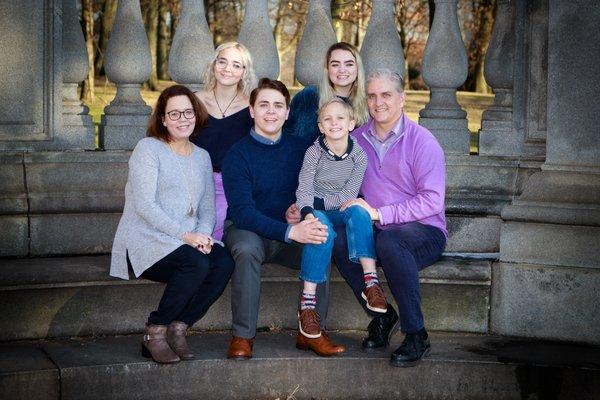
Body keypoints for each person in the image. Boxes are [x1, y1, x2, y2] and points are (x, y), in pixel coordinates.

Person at [221, 78, 346, 359]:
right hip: (248, 230)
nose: (271, 112)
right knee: (247, 248)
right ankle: (243, 336)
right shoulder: (237, 154)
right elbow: (243, 213)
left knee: (320, 236)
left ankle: (311, 331)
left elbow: (323, 189)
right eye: (263, 105)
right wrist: (291, 232)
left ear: (288, 113)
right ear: (251, 110)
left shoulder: (304, 148)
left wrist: (300, 209)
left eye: (278, 106)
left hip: (290, 230)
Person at [110, 85, 235, 364]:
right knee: (196, 264)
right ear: (163, 119)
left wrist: (202, 235)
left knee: (223, 261)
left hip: (186, 239)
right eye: (174, 113)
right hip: (146, 238)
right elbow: (144, 205)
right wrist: (185, 235)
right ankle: (154, 331)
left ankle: (179, 327)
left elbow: (206, 207)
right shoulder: (148, 149)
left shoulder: (201, 156)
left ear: (197, 115)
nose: (183, 119)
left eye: (188, 112)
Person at [332, 69, 447, 367]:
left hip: (424, 232)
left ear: (401, 98)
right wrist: (305, 205)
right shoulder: (354, 140)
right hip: (377, 230)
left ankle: (416, 334)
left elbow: (433, 201)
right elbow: (336, 185)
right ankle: (382, 316)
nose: (378, 102)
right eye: (371, 96)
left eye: (386, 95)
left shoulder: (422, 141)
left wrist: (382, 213)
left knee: (393, 242)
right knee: (338, 240)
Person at [294, 97, 389, 342]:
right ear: (321, 126)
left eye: (340, 118)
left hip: (340, 208)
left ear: (351, 123)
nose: (334, 123)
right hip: (315, 212)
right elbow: (304, 190)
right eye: (327, 119)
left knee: (359, 211)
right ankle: (307, 304)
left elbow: (348, 196)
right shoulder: (313, 152)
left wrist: (319, 202)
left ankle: (371, 282)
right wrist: (308, 211)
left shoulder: (359, 156)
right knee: (319, 226)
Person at [192, 42, 256, 241]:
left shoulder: (252, 109)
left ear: (244, 71)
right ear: (213, 65)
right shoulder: (194, 101)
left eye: (236, 65)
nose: (228, 69)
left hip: (227, 185)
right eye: (223, 62)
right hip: (192, 179)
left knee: (211, 226)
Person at [283, 42, 369, 142]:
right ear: (327, 69)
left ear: (358, 69)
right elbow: (285, 132)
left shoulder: (366, 105)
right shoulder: (308, 96)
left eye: (349, 64)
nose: (342, 70)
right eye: (335, 64)